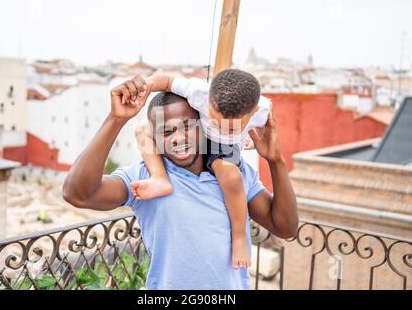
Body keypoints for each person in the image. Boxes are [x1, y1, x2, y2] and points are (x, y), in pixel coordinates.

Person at [62, 77, 298, 289]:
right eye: (166, 131)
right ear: (153, 137)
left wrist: (275, 160)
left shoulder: (234, 172)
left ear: (204, 126)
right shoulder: (145, 178)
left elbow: (285, 227)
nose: (178, 138)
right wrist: (115, 119)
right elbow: (78, 194)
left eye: (188, 127)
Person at [125, 70, 271, 268]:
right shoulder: (199, 91)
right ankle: (159, 178)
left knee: (231, 176)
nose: (221, 126)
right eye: (216, 118)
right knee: (141, 129)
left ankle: (238, 238)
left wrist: (251, 139)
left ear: (252, 113)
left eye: (230, 126)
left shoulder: (262, 110)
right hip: (198, 133)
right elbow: (167, 80)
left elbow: (265, 134)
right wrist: (145, 85)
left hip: (223, 148)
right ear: (209, 100)